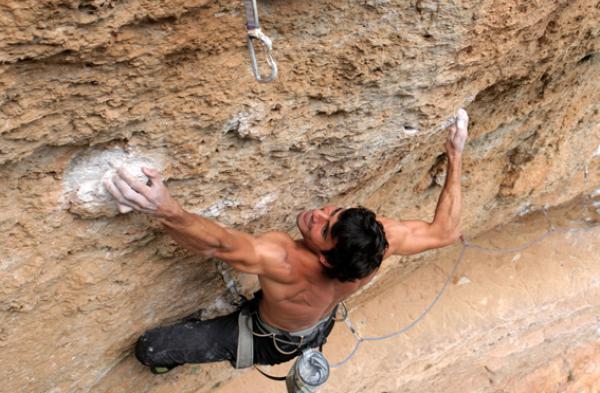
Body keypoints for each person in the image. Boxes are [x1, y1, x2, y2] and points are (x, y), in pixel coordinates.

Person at [104, 109, 469, 374]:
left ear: (327, 259)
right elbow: (445, 232)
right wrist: (455, 153)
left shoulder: (285, 260)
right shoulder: (373, 245)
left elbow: (220, 245)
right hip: (315, 324)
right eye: (333, 211)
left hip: (268, 341)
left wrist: (166, 209)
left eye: (324, 230)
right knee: (297, 314)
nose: (317, 215)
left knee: (150, 348)